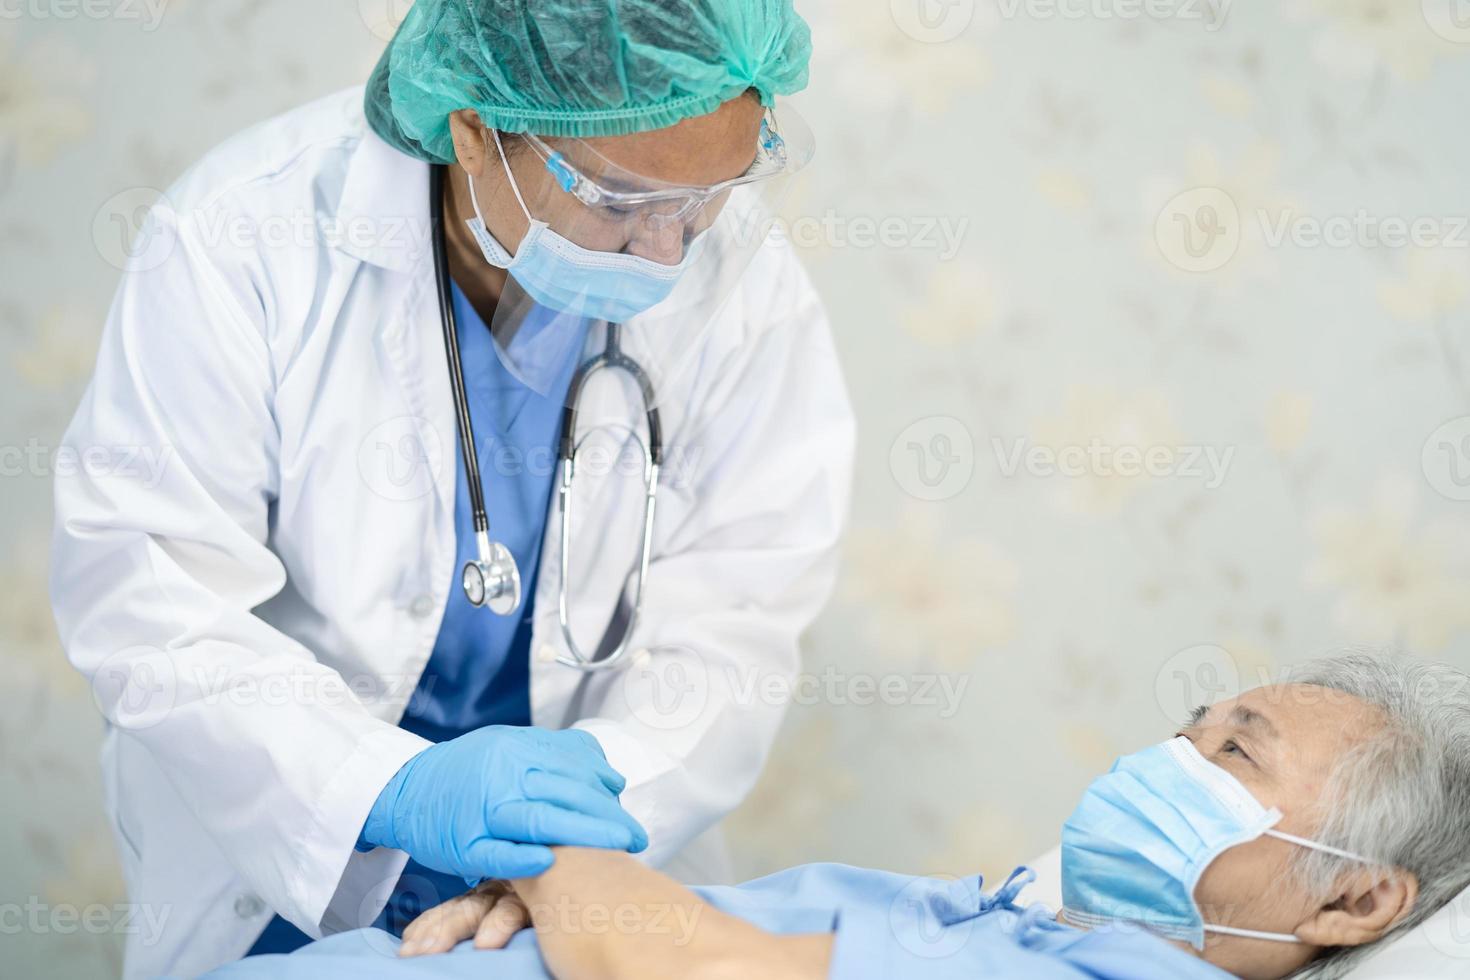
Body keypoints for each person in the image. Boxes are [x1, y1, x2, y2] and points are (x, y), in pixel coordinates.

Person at [49, 1, 853, 976]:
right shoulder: (241, 238)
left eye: (713, 191)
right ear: (476, 131)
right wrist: (388, 786)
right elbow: (151, 602)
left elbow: (738, 620)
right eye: (620, 201)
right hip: (301, 853)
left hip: (580, 867)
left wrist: (564, 842)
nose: (671, 249)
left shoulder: (744, 278)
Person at [199, 653, 1470, 980]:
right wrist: (567, 898)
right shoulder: (1044, 932)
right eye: (1191, 723)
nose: (1169, 757)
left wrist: (542, 841)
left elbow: (669, 963)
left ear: (1356, 896)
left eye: (1233, 750)